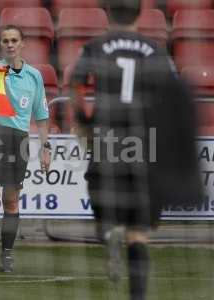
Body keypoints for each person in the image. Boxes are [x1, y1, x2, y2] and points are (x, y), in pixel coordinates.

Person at [70, 1, 202, 299]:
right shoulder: (156, 50)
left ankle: (107, 231)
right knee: (139, 233)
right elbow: (171, 96)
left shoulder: (95, 46)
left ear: (107, 11)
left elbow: (77, 86)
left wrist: (84, 122)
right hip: (146, 142)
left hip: (110, 137)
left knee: (100, 194)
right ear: (140, 13)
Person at [0, 24, 51, 272]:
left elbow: (40, 115)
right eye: (5, 40)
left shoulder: (34, 76)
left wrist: (45, 147)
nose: (9, 44)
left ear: (22, 44)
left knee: (11, 201)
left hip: (18, 139)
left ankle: (7, 254)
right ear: (1, 45)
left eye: (14, 40)